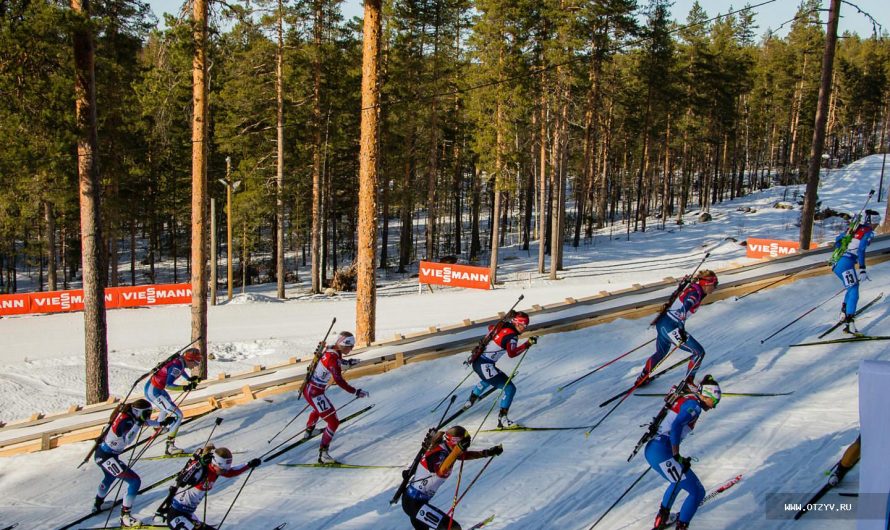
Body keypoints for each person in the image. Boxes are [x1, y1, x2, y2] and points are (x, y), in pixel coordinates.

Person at [645, 375, 721, 530]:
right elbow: (676, 426)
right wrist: (676, 454)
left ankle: (663, 519)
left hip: (653, 448)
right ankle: (681, 527)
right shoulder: (695, 406)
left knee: (679, 479)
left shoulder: (688, 398)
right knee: (697, 492)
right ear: (706, 395)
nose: (713, 406)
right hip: (662, 450)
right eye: (713, 401)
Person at [402, 426, 503, 530]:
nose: (466, 447)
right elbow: (441, 471)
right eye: (464, 444)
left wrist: (486, 453)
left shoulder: (446, 449)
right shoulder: (439, 453)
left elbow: (461, 456)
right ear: (455, 443)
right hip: (414, 503)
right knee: (453, 528)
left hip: (418, 502)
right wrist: (457, 450)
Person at [93, 398, 172, 527]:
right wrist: (138, 424)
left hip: (106, 454)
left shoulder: (131, 415)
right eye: (146, 413)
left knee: (109, 477)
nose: (148, 416)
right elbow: (128, 440)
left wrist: (161, 423)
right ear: (137, 411)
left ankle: (98, 504)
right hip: (106, 456)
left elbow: (144, 422)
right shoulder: (125, 421)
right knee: (134, 481)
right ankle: (125, 516)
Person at [637, 271, 718, 387]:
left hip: (663, 323)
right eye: (714, 285)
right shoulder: (695, 294)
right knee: (698, 353)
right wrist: (681, 329)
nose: (715, 288)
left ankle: (642, 378)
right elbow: (683, 310)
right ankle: (687, 384)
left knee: (661, 352)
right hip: (671, 326)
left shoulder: (694, 289)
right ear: (707, 284)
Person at [302, 331, 369, 464]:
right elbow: (338, 380)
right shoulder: (333, 358)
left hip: (311, 389)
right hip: (314, 392)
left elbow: (336, 362)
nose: (352, 348)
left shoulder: (332, 349)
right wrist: (355, 391)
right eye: (350, 346)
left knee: (318, 409)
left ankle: (309, 431)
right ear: (343, 345)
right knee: (333, 422)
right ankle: (323, 454)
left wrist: (348, 362)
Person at [463, 311, 538, 428]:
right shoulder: (512, 336)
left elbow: (490, 327)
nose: (525, 328)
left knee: (490, 378)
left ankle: (472, 399)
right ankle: (502, 420)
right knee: (510, 388)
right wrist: (527, 344)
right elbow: (512, 354)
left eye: (526, 325)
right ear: (516, 323)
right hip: (485, 365)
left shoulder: (503, 326)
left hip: (477, 361)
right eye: (523, 325)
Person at [161, 445, 261, 530]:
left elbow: (231, 472)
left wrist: (249, 464)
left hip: (189, 515)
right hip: (176, 515)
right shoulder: (201, 471)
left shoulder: (215, 471)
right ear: (214, 464)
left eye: (225, 470)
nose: (224, 472)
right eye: (222, 469)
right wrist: (199, 464)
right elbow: (181, 480)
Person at [145, 348, 202, 455]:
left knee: (167, 406)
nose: (196, 365)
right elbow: (169, 385)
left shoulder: (180, 361)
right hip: (154, 392)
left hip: (156, 389)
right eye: (196, 362)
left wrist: (189, 379)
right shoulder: (177, 366)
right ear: (189, 360)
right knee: (178, 415)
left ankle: (158, 426)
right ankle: (170, 447)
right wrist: (185, 388)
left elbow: (181, 370)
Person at [832, 209, 880, 334]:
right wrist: (863, 268)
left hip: (838, 262)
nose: (878, 224)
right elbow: (861, 250)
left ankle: (844, 311)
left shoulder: (854, 228)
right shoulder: (868, 231)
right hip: (846, 263)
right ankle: (849, 323)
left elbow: (838, 240)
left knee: (851, 287)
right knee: (854, 291)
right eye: (876, 221)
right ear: (870, 221)